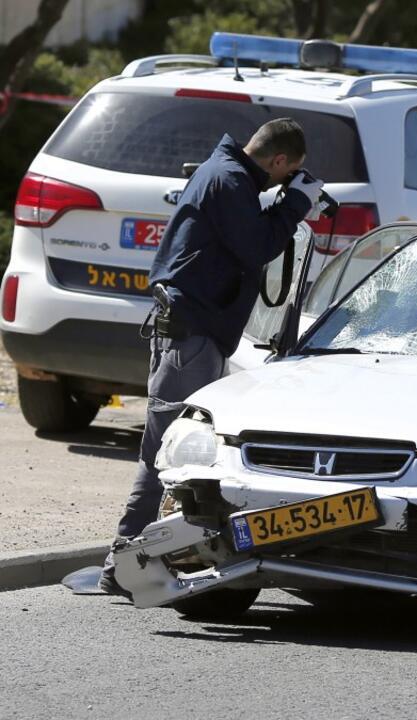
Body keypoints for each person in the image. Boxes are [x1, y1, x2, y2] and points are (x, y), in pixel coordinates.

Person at [99, 118, 324, 596]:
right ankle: (122, 561)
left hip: (193, 330)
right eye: (288, 174)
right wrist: (297, 204)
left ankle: (146, 554)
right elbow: (258, 247)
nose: (284, 182)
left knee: (175, 448)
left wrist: (284, 201)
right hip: (190, 334)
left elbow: (245, 237)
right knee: (165, 451)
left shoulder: (227, 174)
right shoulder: (229, 180)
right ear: (279, 160)